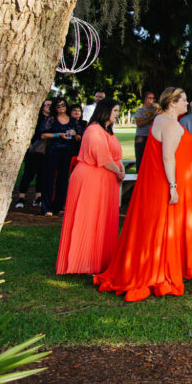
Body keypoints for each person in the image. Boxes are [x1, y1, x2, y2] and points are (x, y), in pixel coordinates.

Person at [94, 87, 192, 301]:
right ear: (172, 102)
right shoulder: (170, 124)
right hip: (165, 183)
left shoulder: (161, 120)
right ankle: (158, 272)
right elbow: (167, 158)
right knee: (162, 226)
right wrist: (173, 185)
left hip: (162, 182)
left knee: (159, 227)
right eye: (183, 99)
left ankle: (159, 267)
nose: (187, 103)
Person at [56, 98, 125, 274]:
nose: (117, 115)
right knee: (90, 217)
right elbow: (101, 156)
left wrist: (120, 168)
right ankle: (84, 261)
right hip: (91, 178)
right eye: (115, 111)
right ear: (105, 111)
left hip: (107, 178)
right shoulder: (93, 130)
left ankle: (101, 259)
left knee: (103, 219)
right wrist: (118, 171)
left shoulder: (108, 130)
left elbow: (115, 153)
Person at [39, 97, 80, 216]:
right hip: (53, 151)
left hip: (67, 152)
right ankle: (47, 207)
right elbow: (43, 135)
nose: (61, 108)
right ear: (54, 108)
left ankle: (59, 206)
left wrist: (74, 134)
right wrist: (59, 134)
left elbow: (79, 137)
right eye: (58, 106)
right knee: (49, 179)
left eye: (63, 105)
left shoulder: (73, 121)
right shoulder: (51, 120)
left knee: (63, 180)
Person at [15, 99, 52, 209]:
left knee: (42, 175)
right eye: (46, 105)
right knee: (28, 174)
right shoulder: (36, 119)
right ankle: (21, 197)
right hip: (33, 150)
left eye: (50, 105)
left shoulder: (53, 120)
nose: (48, 107)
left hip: (46, 151)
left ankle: (38, 196)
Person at [133, 91, 156, 170]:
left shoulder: (156, 110)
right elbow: (139, 124)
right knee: (140, 159)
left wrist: (145, 120)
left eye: (153, 98)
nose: (151, 100)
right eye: (149, 98)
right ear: (145, 99)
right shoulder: (140, 110)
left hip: (152, 137)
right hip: (141, 137)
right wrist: (151, 118)